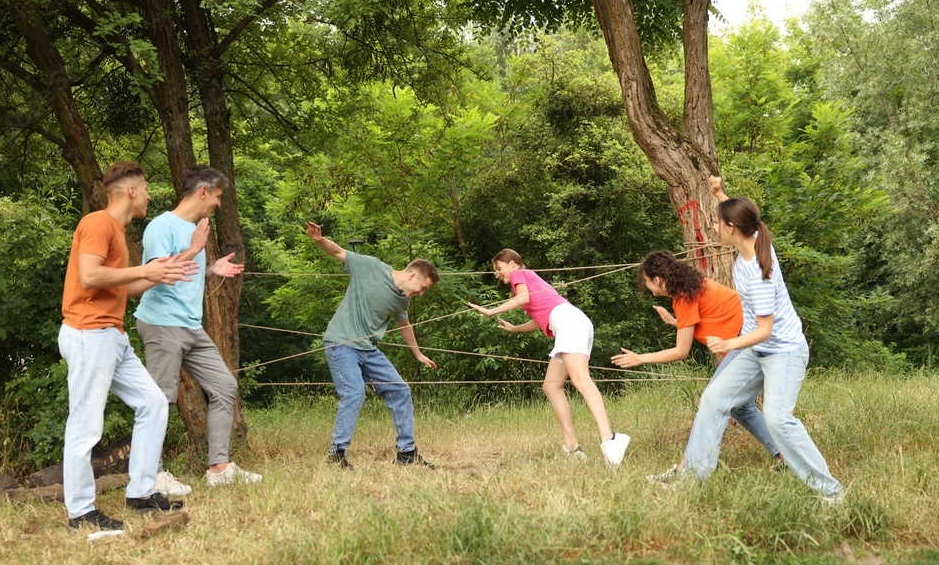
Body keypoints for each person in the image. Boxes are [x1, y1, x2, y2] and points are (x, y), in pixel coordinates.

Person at [669, 176, 843, 502]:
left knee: (779, 420)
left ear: (732, 228)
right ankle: (692, 479)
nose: (713, 229)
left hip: (783, 352)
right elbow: (746, 215)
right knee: (713, 400)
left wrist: (728, 344)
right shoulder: (756, 236)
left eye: (717, 224)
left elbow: (765, 330)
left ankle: (830, 493)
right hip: (756, 350)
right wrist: (720, 194)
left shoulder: (759, 272)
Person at [59, 160, 194, 533]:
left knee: (153, 402)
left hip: (112, 336)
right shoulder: (98, 223)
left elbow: (121, 287)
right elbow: (89, 276)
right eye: (146, 188)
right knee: (85, 424)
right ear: (131, 190)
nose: (150, 195)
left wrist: (159, 274)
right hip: (89, 334)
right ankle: (81, 513)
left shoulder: (117, 232)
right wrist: (145, 271)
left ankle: (141, 493)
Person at [134, 165, 262, 493]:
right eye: (218, 197)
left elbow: (182, 276)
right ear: (203, 191)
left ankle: (219, 468)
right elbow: (155, 273)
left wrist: (209, 270)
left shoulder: (194, 229)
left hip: (191, 326)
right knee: (161, 399)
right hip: (162, 323)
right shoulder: (161, 226)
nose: (219, 204)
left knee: (223, 386)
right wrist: (194, 250)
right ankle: (152, 476)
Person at [611, 250, 782, 476]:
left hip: (750, 339)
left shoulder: (683, 296)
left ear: (658, 279)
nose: (647, 286)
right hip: (759, 337)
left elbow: (682, 351)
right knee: (740, 406)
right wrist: (675, 322)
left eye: (646, 281)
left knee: (712, 400)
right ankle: (785, 455)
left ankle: (688, 471)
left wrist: (640, 358)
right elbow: (706, 320)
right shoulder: (690, 288)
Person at [468, 250, 630, 465]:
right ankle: (573, 448)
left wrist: (492, 311)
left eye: (499, 267)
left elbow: (522, 298)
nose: (497, 273)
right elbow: (539, 319)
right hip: (570, 323)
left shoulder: (520, 275)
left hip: (570, 324)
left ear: (513, 264)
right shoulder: (529, 279)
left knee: (581, 380)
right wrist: (515, 328)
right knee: (551, 386)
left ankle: (610, 438)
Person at [305, 221, 439, 469]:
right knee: (354, 392)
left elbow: (404, 325)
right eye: (422, 288)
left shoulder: (402, 299)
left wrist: (418, 354)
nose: (421, 293)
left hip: (368, 350)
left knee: (401, 390)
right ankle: (337, 455)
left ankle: (407, 454)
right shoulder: (371, 267)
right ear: (411, 276)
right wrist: (318, 239)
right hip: (341, 343)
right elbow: (338, 252)